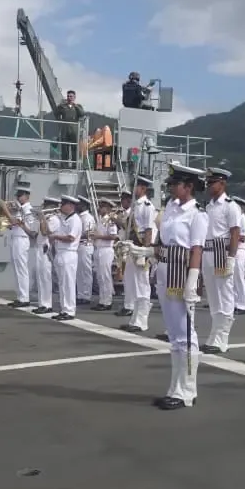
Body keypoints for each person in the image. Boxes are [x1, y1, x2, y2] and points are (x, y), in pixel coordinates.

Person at [154, 162, 208, 410]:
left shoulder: (197, 214)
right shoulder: (171, 207)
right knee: (174, 335)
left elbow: (196, 250)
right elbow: (163, 242)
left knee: (186, 334)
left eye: (176, 184)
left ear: (188, 187)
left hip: (181, 274)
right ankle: (175, 388)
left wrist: (191, 283)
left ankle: (187, 391)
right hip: (165, 270)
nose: (172, 188)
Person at [200, 167, 242, 354]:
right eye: (208, 183)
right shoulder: (209, 206)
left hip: (221, 253)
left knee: (224, 295)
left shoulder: (230, 206)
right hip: (208, 252)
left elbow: (235, 233)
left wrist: (231, 258)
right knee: (213, 296)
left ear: (222, 183)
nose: (209, 186)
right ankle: (214, 333)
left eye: (212, 182)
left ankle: (222, 337)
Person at [118, 176, 156, 332]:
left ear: (143, 188)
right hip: (132, 247)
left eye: (136, 186)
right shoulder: (135, 205)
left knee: (142, 285)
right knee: (132, 284)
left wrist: (145, 253)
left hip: (140, 248)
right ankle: (134, 318)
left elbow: (148, 230)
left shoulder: (147, 206)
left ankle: (141, 321)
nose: (133, 189)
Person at [50, 195, 83, 320]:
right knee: (62, 283)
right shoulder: (64, 218)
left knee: (68, 283)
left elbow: (71, 238)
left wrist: (55, 237)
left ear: (70, 205)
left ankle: (70, 310)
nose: (61, 206)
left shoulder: (75, 219)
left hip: (69, 253)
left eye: (63, 204)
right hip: (61, 252)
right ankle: (64, 309)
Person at [6, 184, 36, 308]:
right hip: (15, 238)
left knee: (22, 269)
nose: (18, 197)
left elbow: (29, 226)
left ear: (27, 196)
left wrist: (13, 211)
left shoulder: (28, 210)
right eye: (18, 195)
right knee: (17, 269)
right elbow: (14, 224)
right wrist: (10, 224)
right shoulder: (19, 210)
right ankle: (20, 296)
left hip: (22, 239)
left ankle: (25, 298)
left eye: (20, 195)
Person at [32, 196, 61, 315]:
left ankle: (47, 304)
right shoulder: (46, 218)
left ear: (52, 207)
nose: (44, 207)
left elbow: (45, 232)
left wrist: (42, 218)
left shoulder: (54, 219)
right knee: (40, 278)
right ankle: (42, 304)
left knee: (45, 278)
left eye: (46, 205)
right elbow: (36, 234)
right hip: (39, 248)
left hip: (46, 248)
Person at [91, 198, 120, 311]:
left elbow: (113, 236)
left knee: (105, 276)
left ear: (107, 209)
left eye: (102, 207)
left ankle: (107, 301)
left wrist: (98, 236)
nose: (99, 208)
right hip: (99, 249)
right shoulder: (100, 220)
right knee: (100, 276)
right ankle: (102, 300)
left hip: (106, 250)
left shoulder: (110, 221)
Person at [53, 90, 84, 166]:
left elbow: (82, 114)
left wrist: (76, 106)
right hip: (65, 129)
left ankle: (74, 165)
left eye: (71, 96)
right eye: (68, 96)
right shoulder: (63, 106)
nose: (69, 98)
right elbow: (56, 113)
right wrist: (60, 121)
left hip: (74, 130)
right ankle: (64, 164)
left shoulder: (78, 106)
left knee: (74, 147)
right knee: (64, 147)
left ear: (74, 97)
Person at [231, 196, 245, 315]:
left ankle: (242, 305)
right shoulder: (236, 220)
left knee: (239, 278)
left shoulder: (244, 220)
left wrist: (230, 237)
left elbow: (243, 237)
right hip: (232, 250)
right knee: (232, 280)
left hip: (239, 250)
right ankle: (234, 304)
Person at [76, 196, 96, 305]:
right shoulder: (79, 216)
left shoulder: (88, 217)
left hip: (85, 245)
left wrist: (75, 236)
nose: (77, 206)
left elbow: (88, 233)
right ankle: (80, 294)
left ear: (84, 205)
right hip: (79, 246)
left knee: (86, 271)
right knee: (79, 272)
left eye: (79, 204)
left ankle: (86, 295)